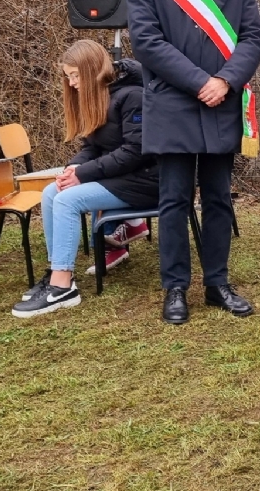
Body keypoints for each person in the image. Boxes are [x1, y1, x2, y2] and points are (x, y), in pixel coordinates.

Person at [127, 0, 260, 326]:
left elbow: (252, 37)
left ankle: (217, 283)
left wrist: (224, 80)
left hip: (221, 101)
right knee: (173, 199)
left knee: (220, 198)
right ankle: (175, 288)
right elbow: (147, 42)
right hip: (174, 102)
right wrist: (199, 81)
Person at [12, 41, 159, 317]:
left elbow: (135, 152)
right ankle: (56, 272)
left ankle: (63, 287)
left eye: (76, 75)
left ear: (92, 70)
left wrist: (83, 174)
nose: (72, 83)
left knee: (67, 200)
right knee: (51, 192)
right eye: (68, 77)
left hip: (149, 180)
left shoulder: (132, 96)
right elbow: (93, 147)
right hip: (122, 177)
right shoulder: (100, 97)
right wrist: (72, 168)